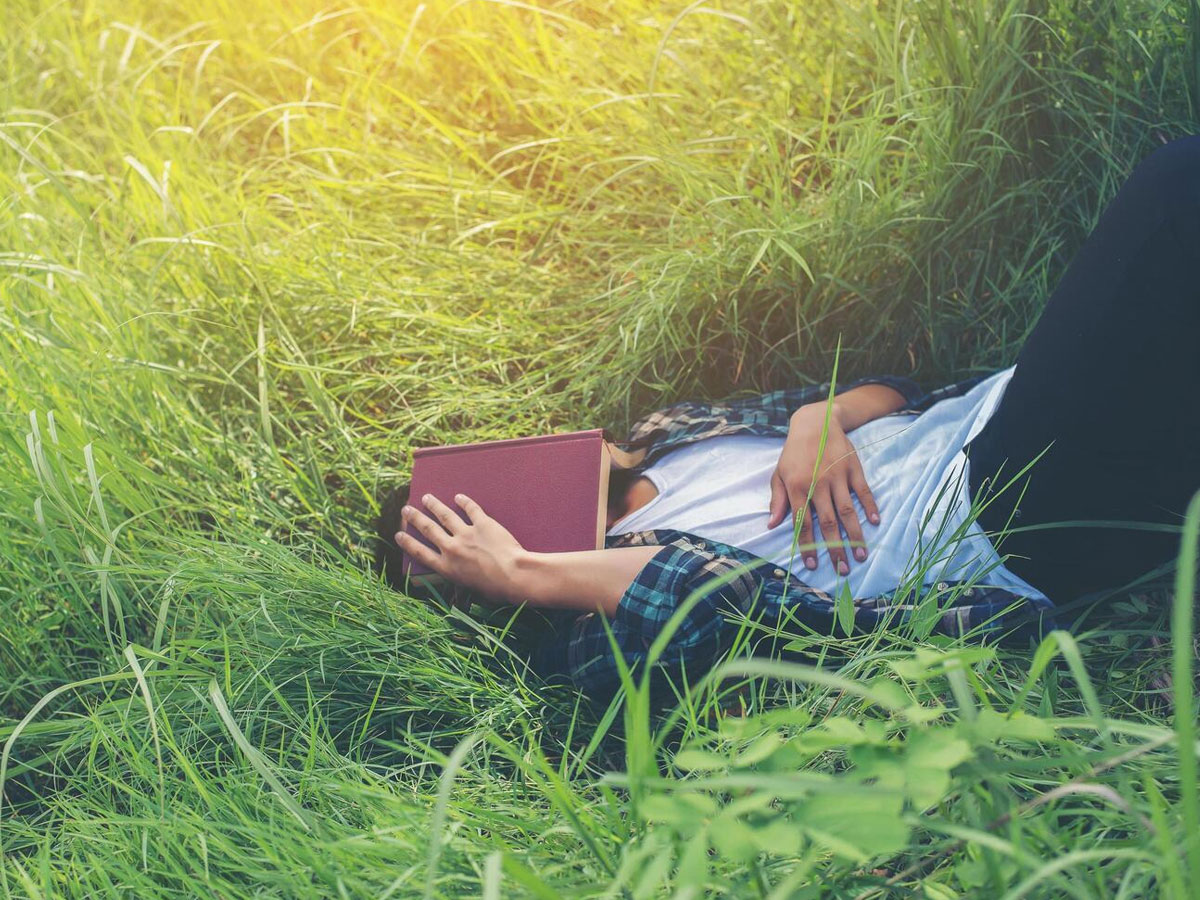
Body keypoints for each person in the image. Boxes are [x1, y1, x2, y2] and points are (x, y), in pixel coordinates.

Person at [377, 136, 1200, 694]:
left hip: (999, 414)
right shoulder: (591, 632)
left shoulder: (672, 434)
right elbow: (719, 603)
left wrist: (818, 419)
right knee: (1174, 187)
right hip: (1008, 527)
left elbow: (898, 391)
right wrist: (524, 576)